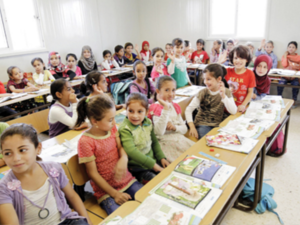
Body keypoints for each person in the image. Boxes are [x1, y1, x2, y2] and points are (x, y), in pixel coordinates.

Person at [0, 123, 91, 225]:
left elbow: (73, 196)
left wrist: (87, 221)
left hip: (65, 221)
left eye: (22, 150)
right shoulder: (3, 188)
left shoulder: (53, 168)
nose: (16, 158)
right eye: (8, 153)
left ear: (38, 148)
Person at [76, 95, 143, 215]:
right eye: (110, 119)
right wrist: (115, 194)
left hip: (127, 181)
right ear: (94, 121)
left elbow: (120, 147)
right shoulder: (85, 142)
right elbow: (92, 173)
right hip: (106, 192)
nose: (114, 122)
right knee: (121, 218)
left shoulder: (112, 129)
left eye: (114, 118)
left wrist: (124, 157)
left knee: (147, 200)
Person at [119, 93, 169, 184]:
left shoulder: (148, 122)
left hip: (152, 162)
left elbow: (154, 142)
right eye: (131, 111)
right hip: (137, 168)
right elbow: (131, 151)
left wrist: (161, 158)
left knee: (169, 175)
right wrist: (153, 165)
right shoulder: (125, 129)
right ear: (125, 110)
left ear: (146, 112)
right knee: (158, 183)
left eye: (139, 111)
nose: (135, 115)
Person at [148, 76, 195, 162]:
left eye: (173, 90)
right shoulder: (155, 108)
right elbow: (159, 132)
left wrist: (175, 127)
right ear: (158, 91)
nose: (171, 94)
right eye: (167, 90)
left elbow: (184, 129)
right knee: (184, 162)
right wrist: (166, 108)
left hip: (178, 138)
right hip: (165, 143)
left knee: (196, 153)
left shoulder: (175, 106)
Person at [186, 64, 237, 139]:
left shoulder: (226, 92)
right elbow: (188, 110)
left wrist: (223, 96)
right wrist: (192, 127)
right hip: (203, 123)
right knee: (208, 141)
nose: (205, 82)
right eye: (204, 79)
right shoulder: (202, 92)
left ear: (219, 79)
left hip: (218, 123)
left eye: (208, 79)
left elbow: (233, 111)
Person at [218, 45, 256, 112]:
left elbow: (250, 93)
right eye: (235, 58)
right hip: (226, 107)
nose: (238, 60)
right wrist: (219, 62)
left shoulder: (250, 74)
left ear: (247, 59)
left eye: (241, 58)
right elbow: (212, 72)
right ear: (232, 59)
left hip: (240, 108)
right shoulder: (227, 71)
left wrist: (243, 105)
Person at [277, 41, 300, 107]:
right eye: (289, 47)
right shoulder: (284, 56)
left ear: (296, 49)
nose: (291, 48)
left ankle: (294, 100)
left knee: (296, 85)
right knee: (280, 84)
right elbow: (284, 64)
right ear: (287, 48)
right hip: (285, 76)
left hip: (294, 77)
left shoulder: (298, 57)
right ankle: (279, 99)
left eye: (293, 47)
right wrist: (285, 56)